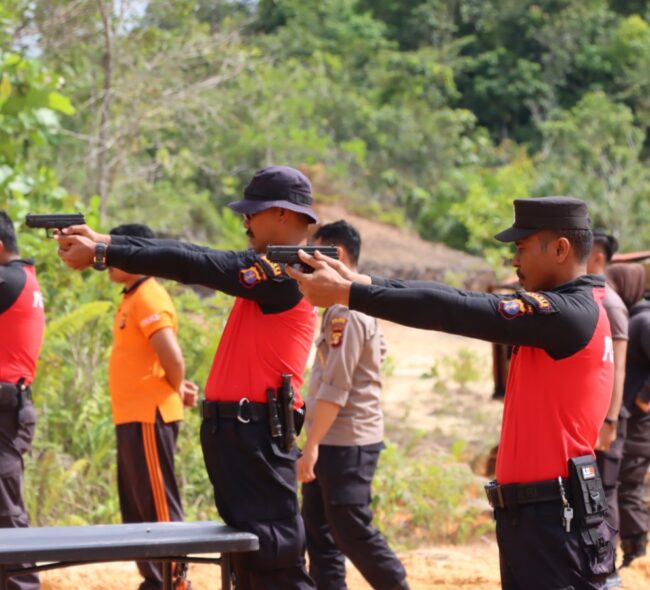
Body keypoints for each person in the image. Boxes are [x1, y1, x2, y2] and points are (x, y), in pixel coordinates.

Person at [288, 197, 616, 590]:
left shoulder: (568, 314)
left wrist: (350, 294)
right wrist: (357, 282)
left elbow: (454, 308)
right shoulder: (572, 309)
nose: (514, 261)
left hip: (554, 517)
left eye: (522, 248)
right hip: (541, 513)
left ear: (560, 249)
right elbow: (444, 297)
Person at [55, 166, 318, 590]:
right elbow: (191, 258)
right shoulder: (271, 270)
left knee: (275, 561)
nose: (245, 221)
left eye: (253, 212)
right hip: (238, 434)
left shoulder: (288, 270)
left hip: (255, 436)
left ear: (284, 215)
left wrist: (106, 247)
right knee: (250, 563)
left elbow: (192, 260)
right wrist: (107, 245)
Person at [297, 221, 408, 590]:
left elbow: (336, 386)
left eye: (314, 257)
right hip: (332, 438)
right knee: (320, 532)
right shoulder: (341, 308)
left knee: (350, 529)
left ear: (337, 257)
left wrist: (310, 446)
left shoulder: (348, 312)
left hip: (347, 442)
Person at [106, 223, 198, 590]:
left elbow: (172, 357)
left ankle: (173, 581)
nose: (106, 260)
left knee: (158, 503)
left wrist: (177, 388)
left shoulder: (149, 297)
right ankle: (153, 579)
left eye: (114, 251)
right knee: (137, 506)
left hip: (149, 416)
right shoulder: (132, 296)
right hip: (131, 416)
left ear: (136, 254)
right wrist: (179, 385)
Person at [0, 211, 45, 590]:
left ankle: (23, 586)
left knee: (6, 508)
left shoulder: (8, 279)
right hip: (11, 406)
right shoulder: (23, 278)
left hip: (4, 410)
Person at [586, 232, 629, 589]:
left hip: (608, 421)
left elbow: (619, 368)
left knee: (606, 493)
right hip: (594, 418)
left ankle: (607, 571)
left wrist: (610, 420)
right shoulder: (591, 298)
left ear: (597, 258)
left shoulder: (611, 305)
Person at [607, 264, 650, 568]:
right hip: (632, 422)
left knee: (628, 485)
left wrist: (644, 399)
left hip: (638, 425)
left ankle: (636, 552)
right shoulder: (636, 318)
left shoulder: (643, 321)